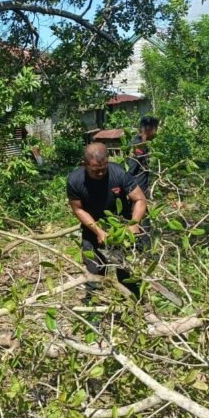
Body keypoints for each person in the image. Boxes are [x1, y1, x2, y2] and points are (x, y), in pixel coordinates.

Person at [67, 143, 148, 298]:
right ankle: (93, 313)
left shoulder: (118, 173)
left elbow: (140, 199)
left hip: (121, 229)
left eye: (104, 169)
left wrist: (134, 223)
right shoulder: (75, 180)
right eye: (96, 170)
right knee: (94, 274)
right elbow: (78, 209)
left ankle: (135, 310)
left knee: (128, 274)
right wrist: (98, 231)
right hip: (93, 229)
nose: (101, 173)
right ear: (85, 164)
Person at [127, 116, 159, 198]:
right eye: (155, 128)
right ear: (148, 128)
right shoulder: (138, 145)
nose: (156, 132)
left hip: (141, 189)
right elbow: (131, 169)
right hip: (137, 191)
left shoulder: (143, 143)